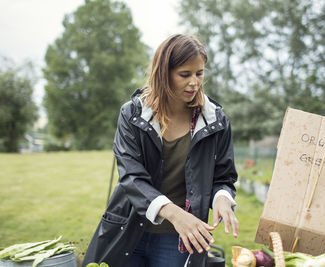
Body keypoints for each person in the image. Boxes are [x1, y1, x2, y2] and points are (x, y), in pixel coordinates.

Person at [82, 34, 239, 267]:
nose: (194, 83)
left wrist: (222, 198)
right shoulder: (133, 114)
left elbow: (223, 177)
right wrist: (175, 213)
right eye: (185, 74)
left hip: (179, 235)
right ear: (163, 73)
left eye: (199, 73)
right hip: (129, 225)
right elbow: (132, 177)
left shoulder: (216, 120)